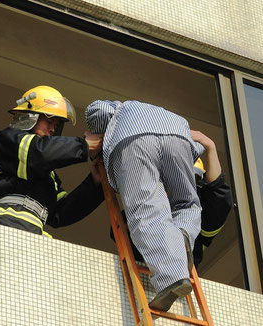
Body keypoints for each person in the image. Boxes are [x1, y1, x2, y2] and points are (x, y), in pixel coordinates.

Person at [84, 99, 205, 313]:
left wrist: (98, 136)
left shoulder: (119, 107)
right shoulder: (163, 112)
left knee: (146, 209)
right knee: (187, 203)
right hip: (179, 136)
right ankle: (183, 233)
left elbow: (98, 111)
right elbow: (194, 150)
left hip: (134, 138)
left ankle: (171, 277)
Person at [0, 85, 104, 237]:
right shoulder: (9, 140)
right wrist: (83, 146)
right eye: (49, 121)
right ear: (31, 115)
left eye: (56, 126)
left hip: (34, 232)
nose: (52, 129)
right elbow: (37, 154)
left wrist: (94, 184)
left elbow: (60, 212)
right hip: (3, 225)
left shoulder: (47, 173)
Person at [191, 131, 232, 268]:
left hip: (182, 266)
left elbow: (219, 197)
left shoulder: (196, 212)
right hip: (137, 256)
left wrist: (210, 147)